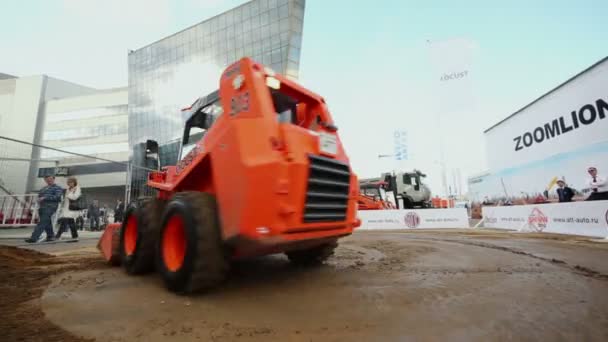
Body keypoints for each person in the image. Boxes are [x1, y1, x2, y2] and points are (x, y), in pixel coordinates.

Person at [25, 176, 63, 243]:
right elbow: (40, 196)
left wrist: (45, 197)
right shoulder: (43, 188)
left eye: (50, 179)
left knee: (42, 222)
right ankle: (51, 236)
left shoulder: (58, 188)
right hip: (42, 206)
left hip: (51, 206)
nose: (49, 181)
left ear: (54, 179)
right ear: (45, 180)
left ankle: (34, 238)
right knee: (47, 221)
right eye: (47, 180)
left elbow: (57, 197)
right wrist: (39, 200)